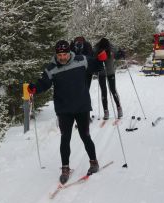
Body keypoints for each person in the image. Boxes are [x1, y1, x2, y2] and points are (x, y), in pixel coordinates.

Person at [27, 40, 107, 184]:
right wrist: (35, 88)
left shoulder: (81, 60)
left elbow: (96, 65)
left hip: (81, 106)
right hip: (64, 109)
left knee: (85, 136)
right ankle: (65, 168)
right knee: (65, 138)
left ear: (69, 52)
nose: (62, 57)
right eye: (60, 55)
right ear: (56, 55)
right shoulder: (51, 68)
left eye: (64, 54)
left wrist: (101, 59)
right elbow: (43, 83)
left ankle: (93, 162)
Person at [94, 37, 123, 119]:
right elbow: (92, 58)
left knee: (113, 90)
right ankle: (106, 111)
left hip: (110, 72)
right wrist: (97, 57)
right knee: (104, 91)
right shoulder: (96, 49)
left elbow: (117, 56)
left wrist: (121, 53)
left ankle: (118, 107)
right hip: (101, 73)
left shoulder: (111, 48)